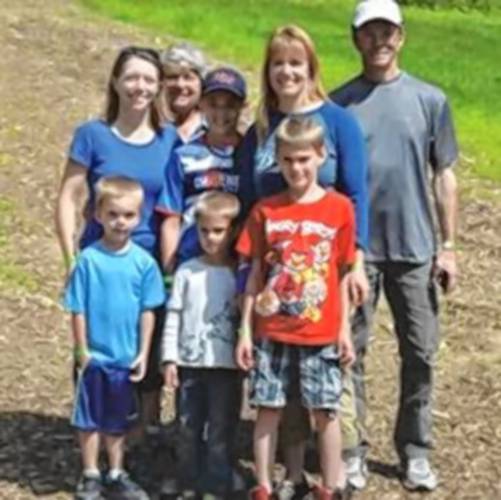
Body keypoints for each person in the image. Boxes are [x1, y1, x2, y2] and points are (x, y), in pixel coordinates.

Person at [330, 0, 459, 491]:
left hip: (415, 249)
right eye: (369, 32)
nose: (379, 40)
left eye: (388, 31)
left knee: (421, 353)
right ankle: (351, 450)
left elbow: (444, 175)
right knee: (350, 353)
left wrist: (448, 246)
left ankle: (415, 449)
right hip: (358, 252)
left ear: (401, 37)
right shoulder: (339, 104)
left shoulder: (430, 100)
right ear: (355, 38)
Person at [236, 24, 369, 496]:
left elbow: (356, 193)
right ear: (268, 71)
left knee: (334, 381)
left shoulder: (338, 121)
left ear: (311, 67)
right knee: (275, 394)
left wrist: (356, 264)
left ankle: (343, 468)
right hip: (271, 273)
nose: (286, 72)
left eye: (296, 63)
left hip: (327, 268)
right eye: (278, 63)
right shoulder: (259, 127)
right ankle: (285, 476)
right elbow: (248, 200)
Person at [55, 46, 178, 432]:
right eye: (131, 77)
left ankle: (138, 442)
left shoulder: (169, 139)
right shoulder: (93, 136)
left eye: (148, 79)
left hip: (148, 263)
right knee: (97, 351)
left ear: (158, 87)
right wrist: (71, 258)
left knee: (145, 355)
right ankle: (93, 443)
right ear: (115, 81)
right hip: (101, 260)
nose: (139, 87)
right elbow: (68, 197)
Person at [64, 176, 165, 500]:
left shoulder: (144, 264)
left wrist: (143, 352)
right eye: (113, 214)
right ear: (98, 215)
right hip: (95, 355)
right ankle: (91, 471)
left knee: (118, 419)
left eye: (128, 215)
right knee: (90, 417)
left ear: (140, 217)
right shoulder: (88, 262)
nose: (120, 222)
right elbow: (77, 308)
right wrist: (82, 349)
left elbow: (148, 311)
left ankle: (117, 471)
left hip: (125, 356)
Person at [161, 191, 242, 499]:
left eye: (218, 231)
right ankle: (187, 481)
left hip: (225, 365)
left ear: (232, 231)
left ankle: (218, 482)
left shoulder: (238, 273)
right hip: (190, 363)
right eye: (204, 231)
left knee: (221, 427)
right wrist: (169, 358)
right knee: (187, 425)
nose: (211, 238)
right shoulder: (187, 271)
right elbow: (174, 316)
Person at [157, 66, 247, 273]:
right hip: (190, 260)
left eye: (230, 106)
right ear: (201, 104)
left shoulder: (248, 153)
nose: (221, 113)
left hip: (233, 264)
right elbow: (171, 216)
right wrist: (170, 268)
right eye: (213, 105)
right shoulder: (184, 154)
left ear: (242, 106)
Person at [160, 42, 208, 143]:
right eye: (172, 77)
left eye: (188, 77)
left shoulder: (214, 128)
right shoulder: (152, 124)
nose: (180, 84)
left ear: (201, 83)